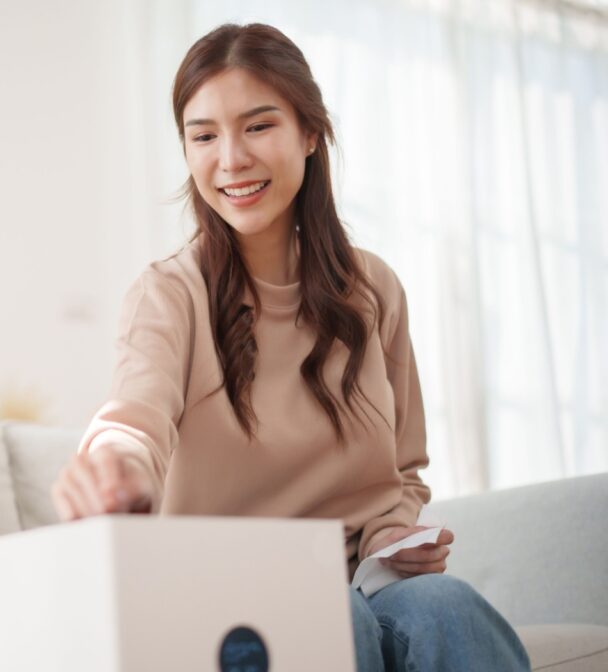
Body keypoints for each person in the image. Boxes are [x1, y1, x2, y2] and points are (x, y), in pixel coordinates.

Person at [50, 22, 531, 672]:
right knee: (331, 617)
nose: (230, 159)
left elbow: (403, 473)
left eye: (257, 126)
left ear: (310, 132)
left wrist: (396, 539)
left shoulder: (374, 290)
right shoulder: (170, 292)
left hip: (362, 588)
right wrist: (115, 470)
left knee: (447, 607)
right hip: (220, 604)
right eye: (204, 136)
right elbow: (135, 420)